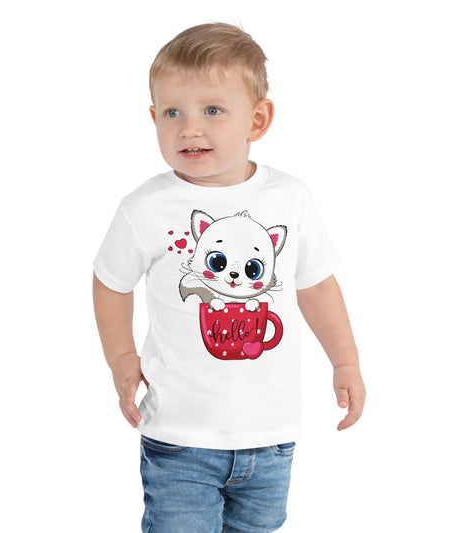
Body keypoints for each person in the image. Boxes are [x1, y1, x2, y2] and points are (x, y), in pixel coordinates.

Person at [93, 22, 366, 533]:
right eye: (172, 112)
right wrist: (121, 358)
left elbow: (315, 284)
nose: (189, 128)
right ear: (153, 118)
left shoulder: (291, 198)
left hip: (271, 436)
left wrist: (345, 361)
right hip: (179, 438)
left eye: (212, 110)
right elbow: (110, 282)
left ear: (257, 120)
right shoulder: (145, 208)